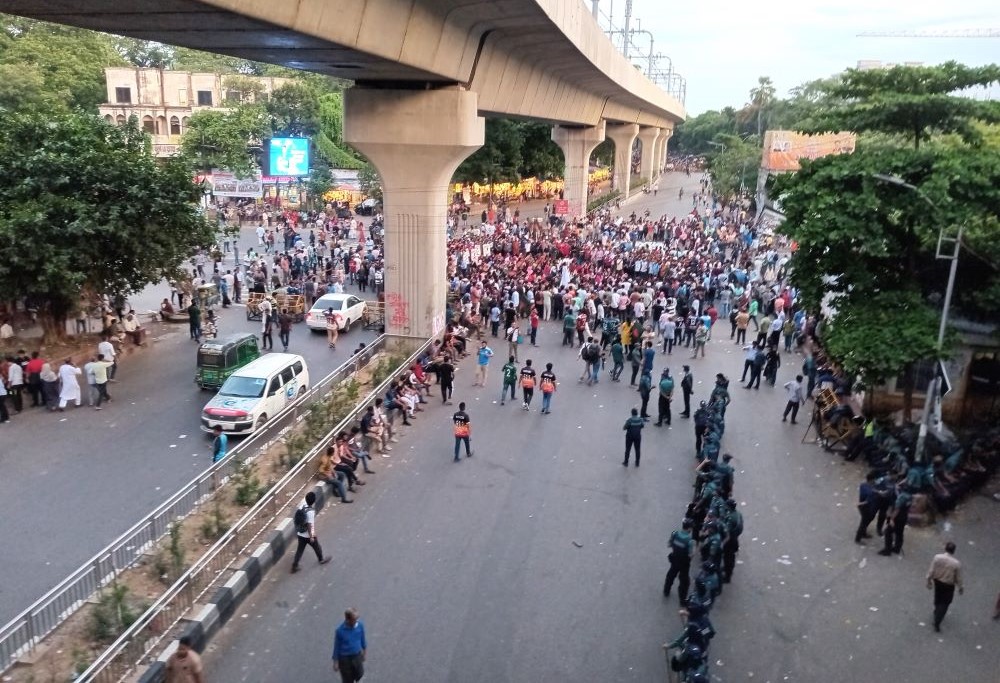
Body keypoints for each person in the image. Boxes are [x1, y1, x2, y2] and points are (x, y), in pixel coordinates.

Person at [291, 491, 331, 573]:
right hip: (307, 535)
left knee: (300, 550)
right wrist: (312, 536)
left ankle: (294, 566)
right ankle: (321, 559)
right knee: (317, 547)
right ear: (313, 501)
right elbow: (310, 525)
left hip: (300, 533)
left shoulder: (302, 505)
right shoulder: (311, 512)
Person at [927, 541, 963, 632]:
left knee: (938, 596)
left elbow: (931, 570)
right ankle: (937, 621)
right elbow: (958, 577)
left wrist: (928, 580)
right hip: (948, 585)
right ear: (954, 551)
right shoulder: (956, 564)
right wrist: (960, 587)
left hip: (938, 581)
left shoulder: (937, 558)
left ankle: (936, 609)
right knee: (945, 602)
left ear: (945, 548)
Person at [331, 608, 367, 683]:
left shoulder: (360, 625)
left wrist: (365, 652)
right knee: (347, 679)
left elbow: (363, 639)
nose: (356, 621)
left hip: (357, 656)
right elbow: (337, 646)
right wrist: (335, 662)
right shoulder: (340, 631)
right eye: (354, 619)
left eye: (357, 618)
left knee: (360, 674)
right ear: (348, 620)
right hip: (344, 659)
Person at [664, 518, 694, 602]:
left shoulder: (675, 534)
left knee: (670, 575)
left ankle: (666, 591)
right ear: (689, 528)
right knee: (684, 581)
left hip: (674, 559)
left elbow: (669, 544)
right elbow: (690, 555)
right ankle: (682, 599)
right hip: (684, 563)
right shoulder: (689, 541)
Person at [879, 483, 911, 556]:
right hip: (904, 517)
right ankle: (897, 548)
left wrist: (891, 519)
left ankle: (887, 550)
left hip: (897, 518)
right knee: (899, 533)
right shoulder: (910, 496)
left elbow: (897, 509)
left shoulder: (902, 497)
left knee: (888, 532)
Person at [855, 472, 878, 544]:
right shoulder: (870, 491)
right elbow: (868, 501)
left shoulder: (863, 485)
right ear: (871, 480)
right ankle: (858, 538)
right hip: (867, 507)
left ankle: (863, 533)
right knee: (864, 523)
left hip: (863, 507)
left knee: (866, 520)